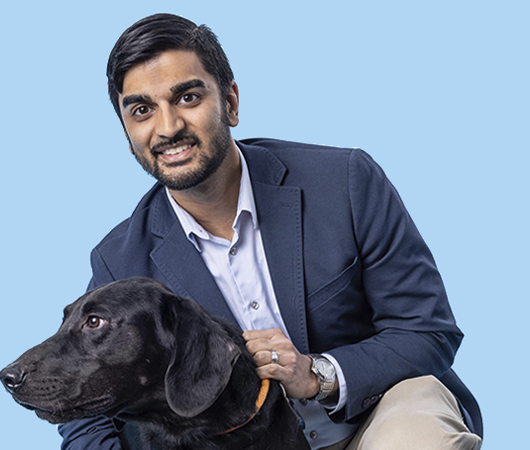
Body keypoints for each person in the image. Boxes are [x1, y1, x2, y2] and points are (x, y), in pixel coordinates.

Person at [65, 13, 482, 450]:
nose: (168, 128)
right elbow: (85, 415)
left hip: (378, 412)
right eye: (142, 110)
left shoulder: (345, 183)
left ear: (230, 102)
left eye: (188, 97)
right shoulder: (120, 261)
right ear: (127, 133)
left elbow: (427, 331)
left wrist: (318, 374)